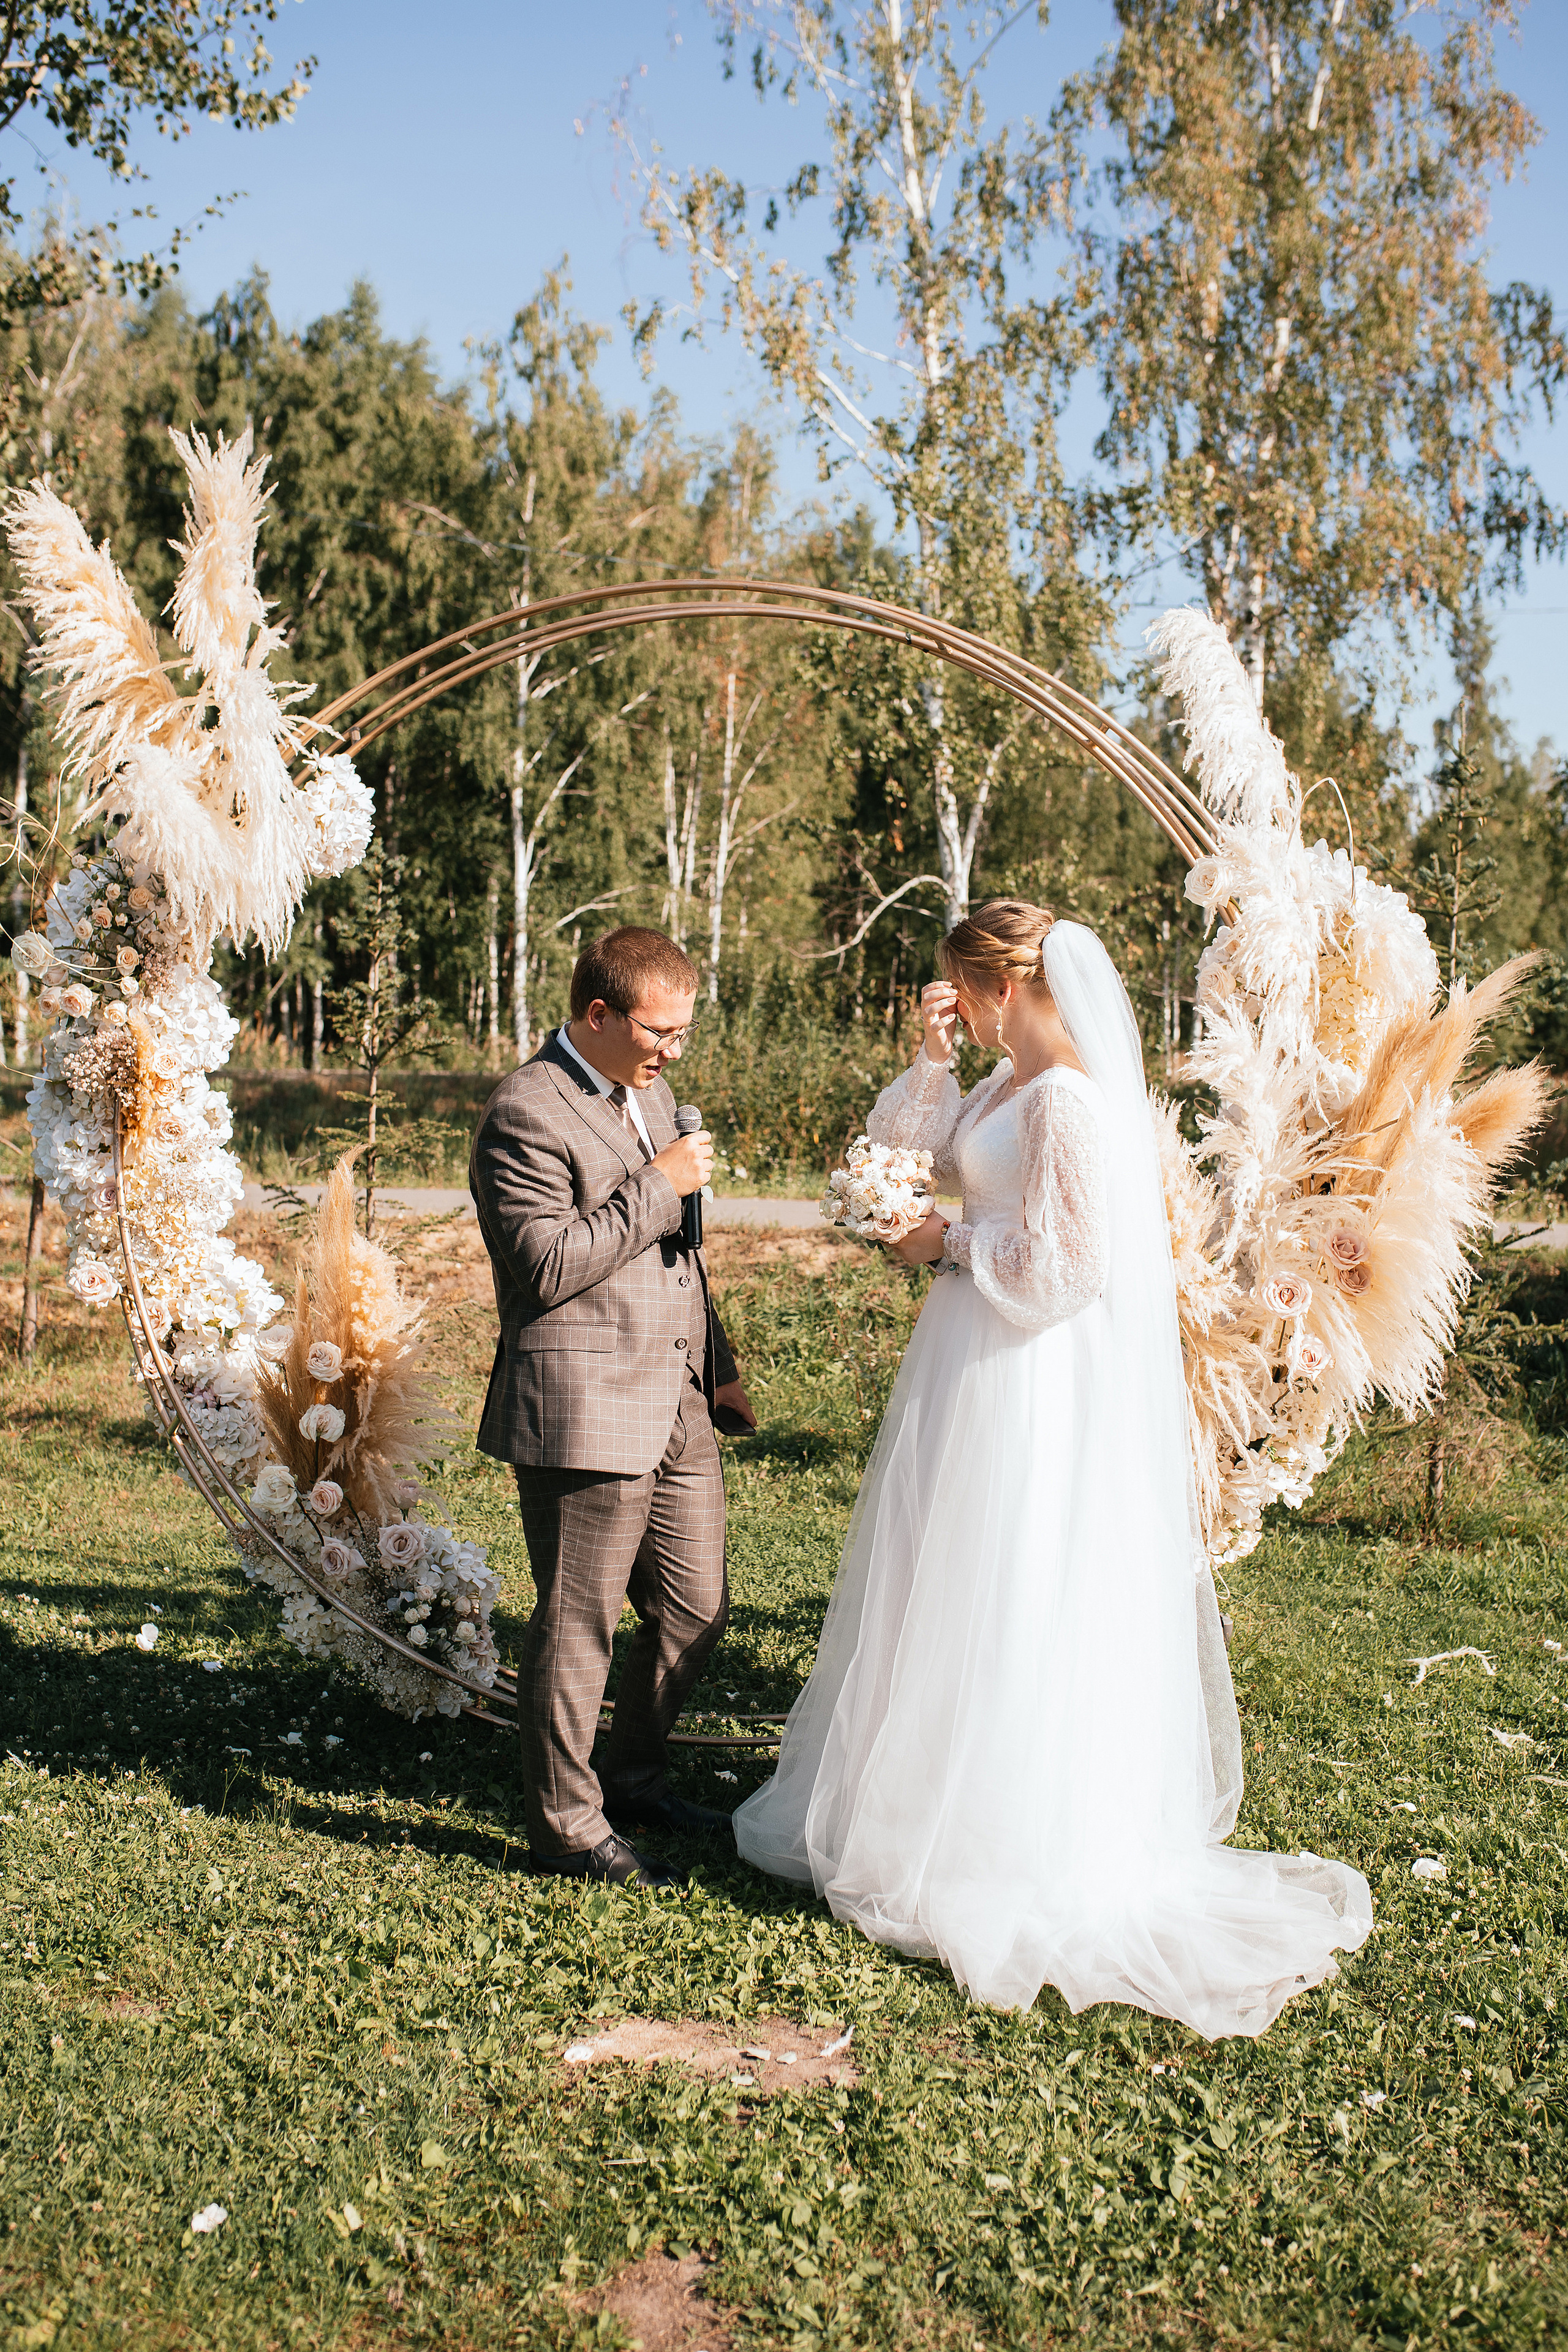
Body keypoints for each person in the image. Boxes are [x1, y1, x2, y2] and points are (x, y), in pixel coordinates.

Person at [734, 900, 1373, 2037]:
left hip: (1027, 1366)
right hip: (969, 1352)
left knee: (1012, 1574)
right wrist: (930, 1062)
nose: (964, 1013)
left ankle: (1007, 1840)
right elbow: (911, 1154)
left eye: (962, 994)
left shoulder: (1070, 1099)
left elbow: (1074, 1266)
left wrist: (946, 1243)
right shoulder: (1001, 1086)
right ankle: (923, 1810)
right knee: (947, 1574)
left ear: (1001, 985)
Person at [470, 926, 756, 1889]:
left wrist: (717, 1361)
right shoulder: (525, 1110)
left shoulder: (652, 1092)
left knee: (695, 1607)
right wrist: (661, 1183)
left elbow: (679, 1253)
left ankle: (631, 1779)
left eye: (683, 1032)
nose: (674, 1050)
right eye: (659, 1031)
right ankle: (566, 1829)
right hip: (585, 1401)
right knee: (578, 1619)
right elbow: (546, 1264)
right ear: (598, 1014)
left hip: (675, 1393)